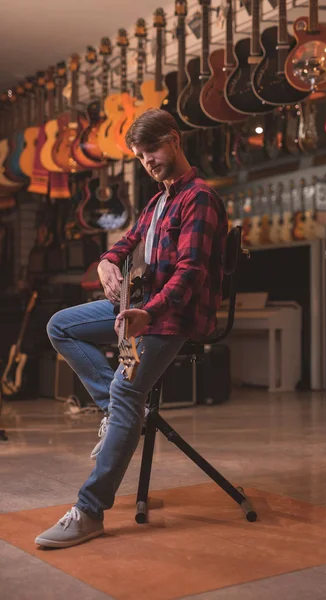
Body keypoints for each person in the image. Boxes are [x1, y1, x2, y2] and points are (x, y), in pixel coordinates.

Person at [34, 108, 228, 549]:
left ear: (174, 139)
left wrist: (150, 314)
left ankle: (89, 510)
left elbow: (191, 271)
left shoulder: (198, 197)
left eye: (153, 150)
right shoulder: (158, 200)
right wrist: (106, 261)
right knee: (59, 326)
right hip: (140, 310)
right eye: (141, 157)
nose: (149, 161)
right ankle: (117, 410)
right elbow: (125, 244)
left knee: (127, 391)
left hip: (172, 316)